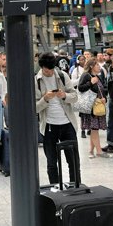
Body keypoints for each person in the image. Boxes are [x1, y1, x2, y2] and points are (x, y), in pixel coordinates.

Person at [35, 52, 80, 186]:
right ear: (41, 67)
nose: (49, 72)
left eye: (52, 69)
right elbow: (35, 108)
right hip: (49, 126)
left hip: (67, 124)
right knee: (52, 163)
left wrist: (64, 95)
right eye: (46, 70)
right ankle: (54, 188)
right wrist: (45, 99)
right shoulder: (36, 81)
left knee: (73, 160)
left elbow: (75, 96)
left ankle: (75, 186)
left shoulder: (62, 75)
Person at [78, 57, 108, 158]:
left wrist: (104, 99)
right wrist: (91, 82)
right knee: (94, 129)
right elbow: (80, 88)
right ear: (91, 66)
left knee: (94, 129)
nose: (99, 67)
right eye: (97, 65)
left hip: (98, 106)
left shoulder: (98, 76)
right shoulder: (86, 75)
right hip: (91, 107)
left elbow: (102, 90)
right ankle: (99, 151)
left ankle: (91, 151)